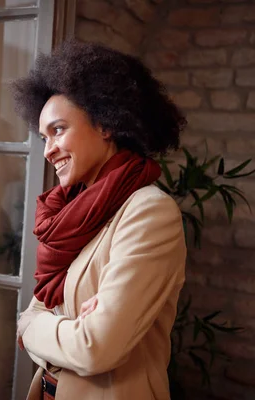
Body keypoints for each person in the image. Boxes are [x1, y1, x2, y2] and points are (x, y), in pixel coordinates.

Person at [12, 40, 187, 400]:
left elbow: (95, 347)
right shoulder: (70, 213)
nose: (48, 150)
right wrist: (66, 324)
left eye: (58, 130)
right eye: (44, 137)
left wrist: (32, 327)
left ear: (106, 124)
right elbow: (39, 309)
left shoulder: (149, 212)